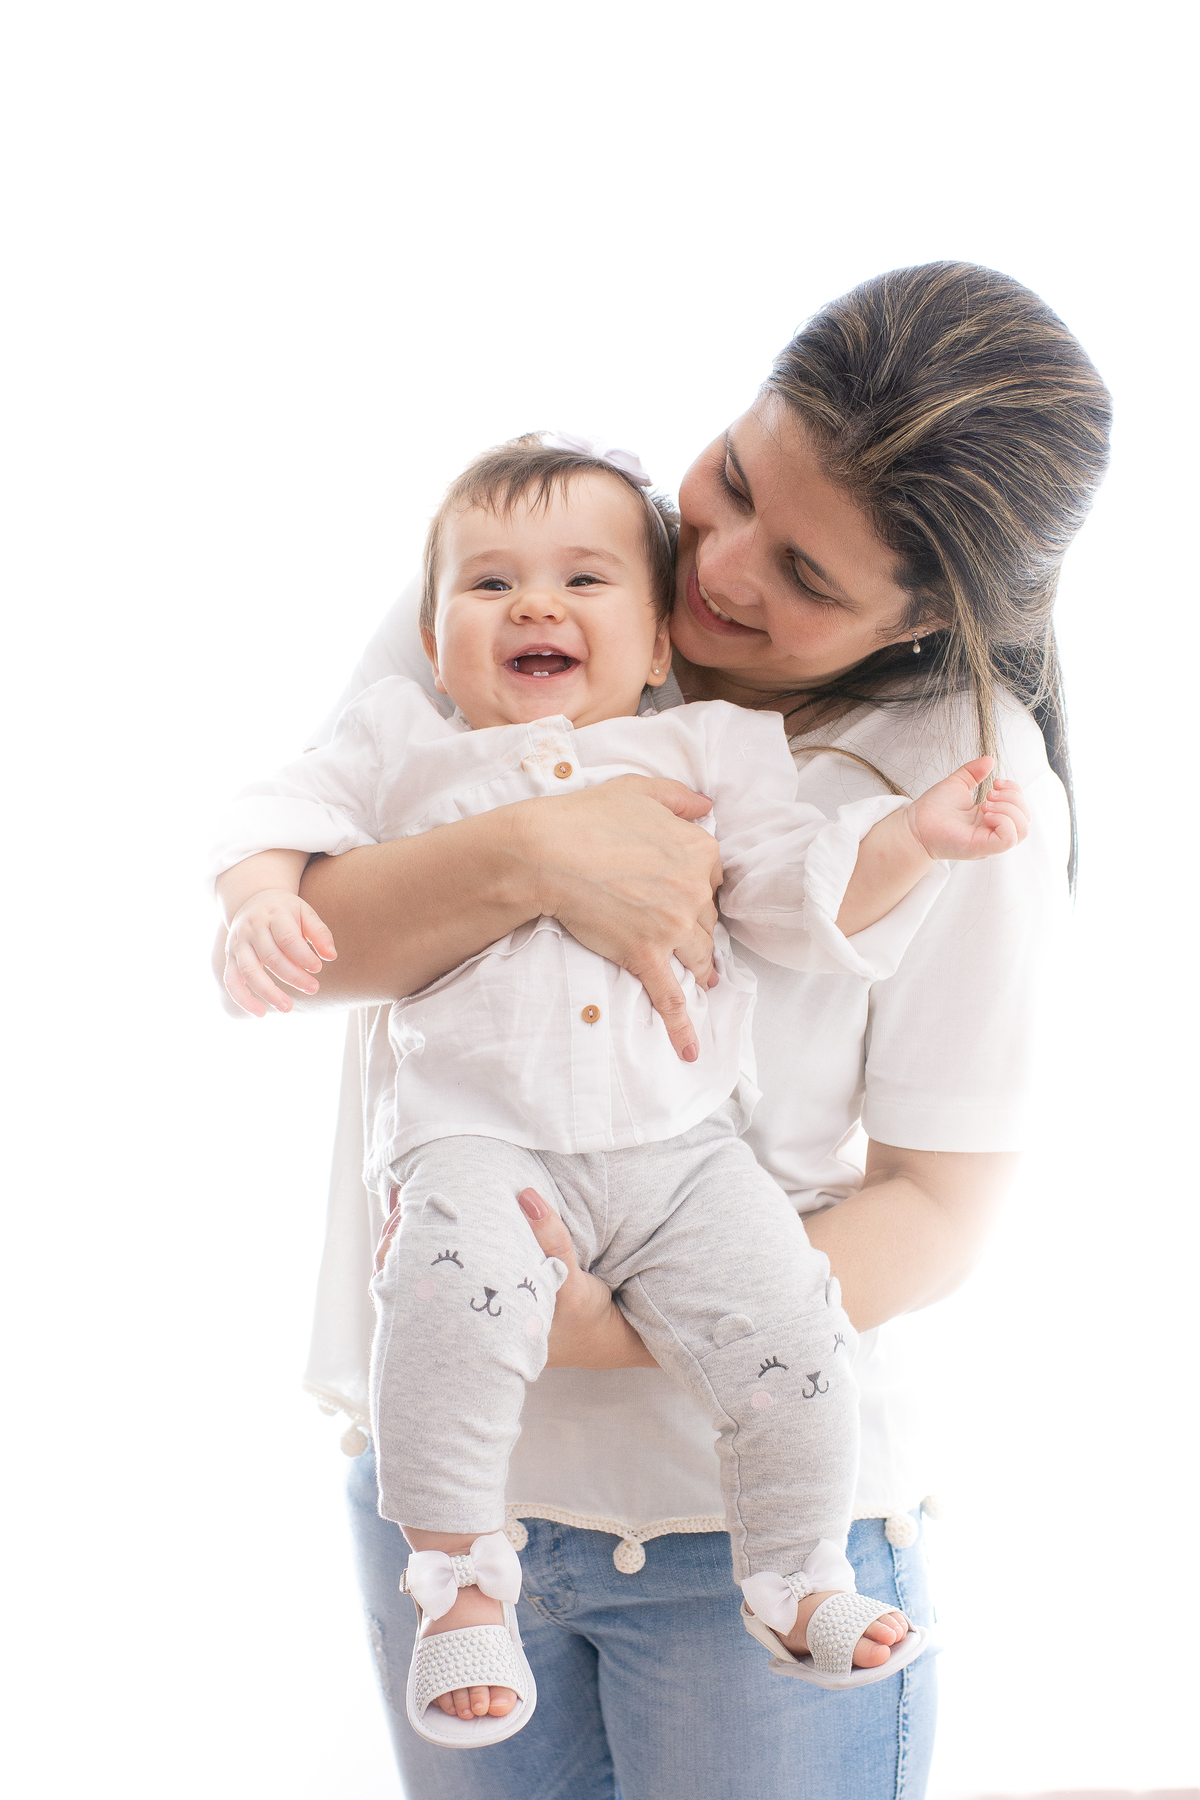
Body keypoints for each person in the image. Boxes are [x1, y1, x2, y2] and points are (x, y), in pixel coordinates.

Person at [212, 263, 1111, 1798]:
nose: (727, 567)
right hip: (447, 1510)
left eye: (812, 577)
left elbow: (941, 1212)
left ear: (930, 617)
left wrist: (606, 1334)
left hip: (729, 1528)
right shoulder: (532, 574)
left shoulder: (962, 778)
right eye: (737, 478)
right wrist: (547, 855)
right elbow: (318, 930)